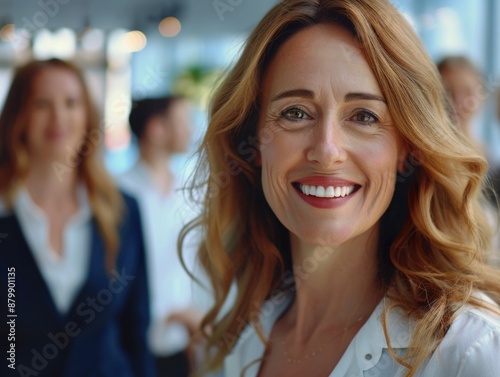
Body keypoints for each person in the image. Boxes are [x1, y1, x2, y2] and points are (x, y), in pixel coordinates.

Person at [180, 1, 500, 376]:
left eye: (364, 116)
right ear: (253, 142)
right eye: (295, 113)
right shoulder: (240, 339)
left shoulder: (467, 352)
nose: (327, 151)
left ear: (407, 148)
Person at [0, 58, 155, 377]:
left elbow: (136, 330)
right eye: (42, 103)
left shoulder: (123, 211)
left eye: (71, 103)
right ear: (19, 116)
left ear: (87, 116)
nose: (58, 117)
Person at [117, 96, 203, 377]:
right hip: (128, 344)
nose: (191, 131)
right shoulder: (117, 196)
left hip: (180, 344)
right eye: (184, 121)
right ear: (156, 129)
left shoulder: (190, 194)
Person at [437, 56, 487, 153]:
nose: (458, 101)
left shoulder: (492, 162)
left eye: (467, 92)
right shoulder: (423, 157)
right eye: (447, 91)